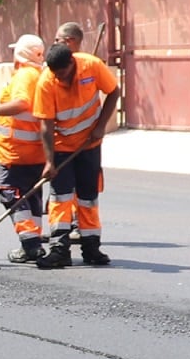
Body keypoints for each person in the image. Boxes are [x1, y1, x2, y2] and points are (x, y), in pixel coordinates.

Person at [30, 21, 122, 267]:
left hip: (90, 145)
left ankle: (92, 248)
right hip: (62, 147)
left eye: (63, 73)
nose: (60, 78)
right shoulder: (46, 82)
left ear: (72, 62)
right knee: (60, 198)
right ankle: (60, 250)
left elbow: (114, 92)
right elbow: (46, 125)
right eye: (55, 75)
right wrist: (49, 161)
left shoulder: (91, 66)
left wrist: (101, 126)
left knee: (88, 197)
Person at [0, 32, 53, 267]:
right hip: (35, 151)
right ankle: (34, 241)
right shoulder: (40, 74)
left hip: (17, 151)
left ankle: (30, 244)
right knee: (31, 196)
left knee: (10, 193)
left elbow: (22, 104)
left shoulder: (25, 76)